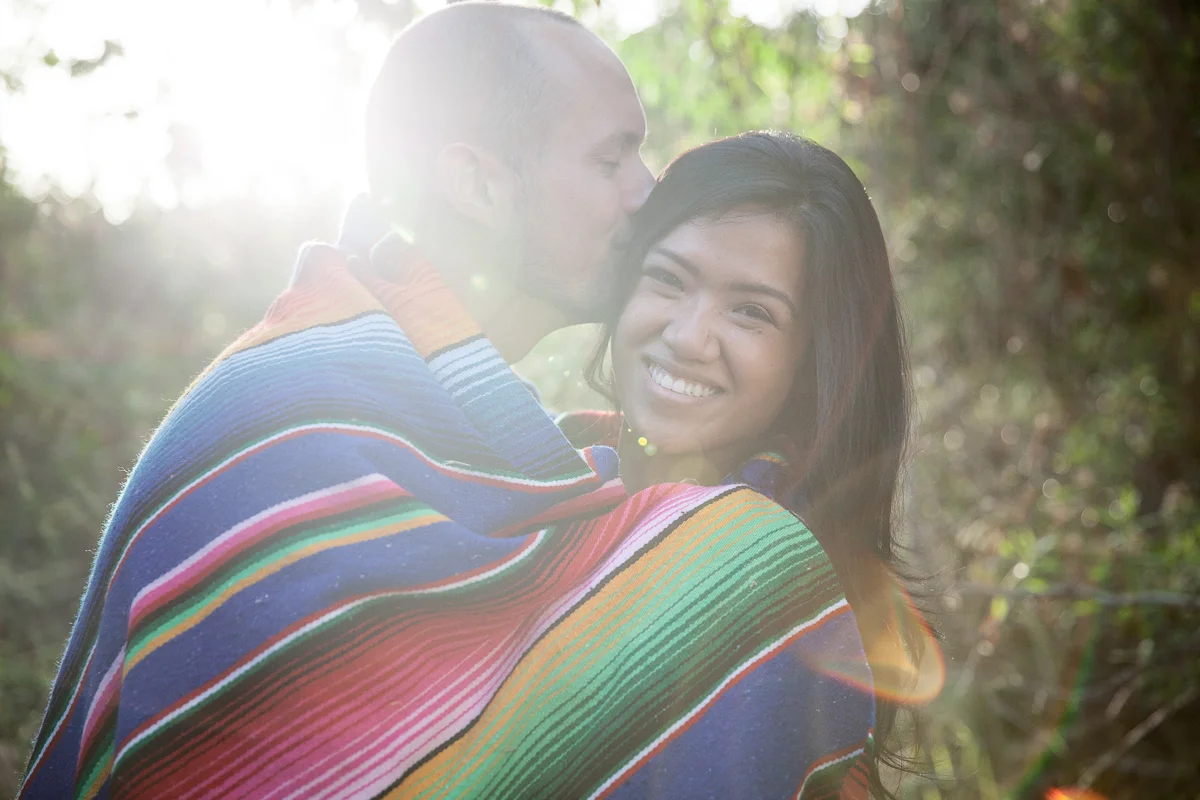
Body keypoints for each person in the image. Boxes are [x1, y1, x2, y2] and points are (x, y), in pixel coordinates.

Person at [558, 130, 932, 797]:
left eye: (751, 311)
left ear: (814, 361)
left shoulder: (771, 577)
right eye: (668, 279)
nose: (687, 336)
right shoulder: (539, 479)